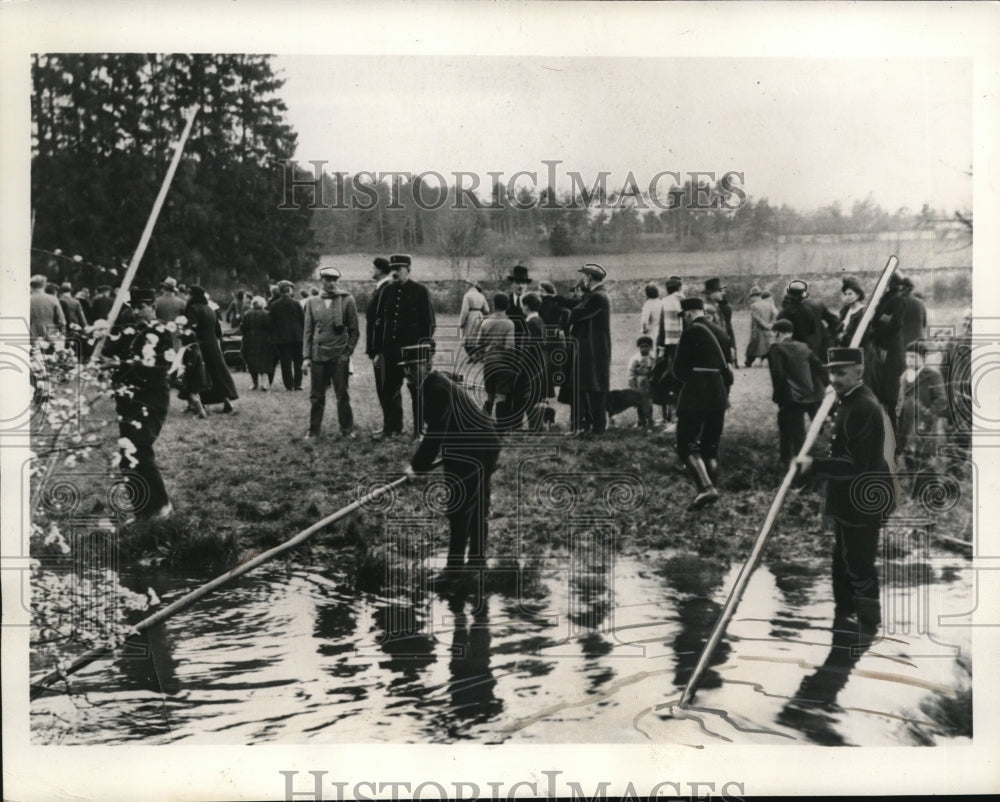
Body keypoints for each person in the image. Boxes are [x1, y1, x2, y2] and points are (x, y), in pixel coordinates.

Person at [795, 347, 897, 631]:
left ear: (858, 372)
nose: (834, 379)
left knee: (859, 566)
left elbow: (855, 464)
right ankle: (844, 624)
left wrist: (814, 466)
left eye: (841, 373)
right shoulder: (849, 401)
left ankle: (867, 627)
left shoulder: (862, 406)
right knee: (843, 563)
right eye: (831, 372)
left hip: (863, 500)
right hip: (852, 499)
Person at [402, 342, 502, 586]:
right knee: (475, 505)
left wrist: (417, 466)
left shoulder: (435, 387)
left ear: (426, 365)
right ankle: (477, 562)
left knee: (460, 507)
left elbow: (436, 431)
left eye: (412, 367)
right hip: (480, 442)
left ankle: (454, 570)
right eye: (405, 368)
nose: (408, 373)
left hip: (473, 447)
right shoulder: (430, 384)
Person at [102, 288, 175, 519]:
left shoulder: (161, 332)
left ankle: (161, 506)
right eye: (132, 307)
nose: (136, 312)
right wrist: (101, 342)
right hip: (127, 399)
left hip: (151, 398)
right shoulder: (128, 331)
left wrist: (119, 364)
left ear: (153, 307)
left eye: (141, 306)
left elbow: (156, 367)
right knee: (127, 454)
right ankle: (142, 509)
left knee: (140, 449)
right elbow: (108, 351)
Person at [672, 296, 733, 511]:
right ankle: (712, 492)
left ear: (688, 314)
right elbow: (728, 369)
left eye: (685, 316)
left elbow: (678, 370)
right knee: (711, 445)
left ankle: (706, 488)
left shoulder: (690, 332)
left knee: (686, 442)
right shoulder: (722, 333)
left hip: (696, 394)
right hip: (719, 395)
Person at [380, 254, 436, 437]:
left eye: (399, 269)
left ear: (408, 270)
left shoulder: (420, 291)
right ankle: (392, 428)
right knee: (390, 391)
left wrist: (423, 350)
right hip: (392, 351)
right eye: (392, 269)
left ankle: (419, 431)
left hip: (414, 351)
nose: (395, 273)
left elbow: (429, 323)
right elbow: (385, 322)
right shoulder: (387, 291)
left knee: (417, 391)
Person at [303, 266, 360, 439]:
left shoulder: (347, 300)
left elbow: (354, 330)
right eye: (327, 279)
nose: (331, 283)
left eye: (334, 280)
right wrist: (306, 357)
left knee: (342, 394)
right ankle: (313, 431)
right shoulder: (312, 302)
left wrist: (347, 352)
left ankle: (347, 430)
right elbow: (307, 331)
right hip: (318, 354)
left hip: (339, 356)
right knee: (316, 396)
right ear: (321, 281)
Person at [768, 319, 828, 466]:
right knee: (821, 428)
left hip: (792, 397)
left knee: (793, 429)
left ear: (777, 332)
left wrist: (779, 398)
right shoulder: (803, 346)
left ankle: (792, 463)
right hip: (813, 394)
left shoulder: (776, 348)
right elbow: (819, 367)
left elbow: (778, 374)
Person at [897, 341, 948, 494]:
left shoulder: (932, 375)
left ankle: (929, 491)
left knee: (923, 455)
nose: (909, 361)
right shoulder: (905, 375)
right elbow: (900, 398)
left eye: (913, 357)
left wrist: (927, 418)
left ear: (923, 358)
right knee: (908, 453)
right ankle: (915, 487)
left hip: (922, 422)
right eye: (907, 357)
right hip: (906, 422)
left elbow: (940, 400)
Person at [568, 263, 612, 435]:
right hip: (594, 348)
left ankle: (598, 428)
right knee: (592, 386)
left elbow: (577, 313)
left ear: (590, 278)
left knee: (595, 387)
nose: (583, 280)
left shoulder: (598, 297)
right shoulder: (597, 295)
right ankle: (593, 427)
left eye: (585, 277)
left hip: (595, 349)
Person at [862, 271, 907, 435]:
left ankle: (893, 430)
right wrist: (880, 320)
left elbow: (895, 323)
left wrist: (875, 332)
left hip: (890, 349)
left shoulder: (898, 299)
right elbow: (878, 319)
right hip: (881, 346)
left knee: (890, 389)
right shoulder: (886, 299)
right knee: (879, 384)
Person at [185, 285, 239, 414]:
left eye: (188, 294)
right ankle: (227, 402)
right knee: (217, 374)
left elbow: (190, 329)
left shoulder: (193, 309)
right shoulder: (210, 309)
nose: (187, 297)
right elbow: (218, 331)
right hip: (213, 344)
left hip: (200, 345)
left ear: (192, 295)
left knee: (201, 374)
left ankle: (199, 405)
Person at [365, 257, 397, 437]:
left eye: (373, 267)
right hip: (380, 349)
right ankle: (393, 425)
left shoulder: (386, 289)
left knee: (385, 389)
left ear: (380, 270)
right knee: (387, 389)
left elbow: (382, 323)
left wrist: (378, 351)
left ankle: (389, 427)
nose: (371, 270)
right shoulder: (382, 288)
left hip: (383, 350)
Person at [476, 294, 516, 420]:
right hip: (503, 364)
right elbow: (509, 346)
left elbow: (479, 343)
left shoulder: (485, 321)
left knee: (490, 397)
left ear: (493, 305)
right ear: (508, 306)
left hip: (489, 363)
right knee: (501, 397)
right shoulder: (509, 323)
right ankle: (500, 429)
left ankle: (483, 424)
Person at [653, 276, 685, 425]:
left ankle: (669, 416)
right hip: (684, 345)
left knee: (667, 379)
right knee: (680, 379)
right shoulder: (685, 301)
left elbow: (661, 328)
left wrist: (660, 348)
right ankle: (678, 414)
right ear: (680, 288)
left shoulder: (664, 302)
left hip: (669, 346)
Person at [270, 279, 305, 391]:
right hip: (297, 337)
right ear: (289, 290)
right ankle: (298, 384)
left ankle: (289, 385)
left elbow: (271, 322)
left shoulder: (274, 305)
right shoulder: (296, 303)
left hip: (282, 339)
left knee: (286, 363)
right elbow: (303, 320)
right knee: (298, 361)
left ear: (280, 291)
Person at [239, 296, 274, 391]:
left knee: (252, 362)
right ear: (262, 304)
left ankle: (254, 384)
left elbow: (242, 328)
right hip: (264, 340)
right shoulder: (267, 314)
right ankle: (264, 384)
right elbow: (271, 327)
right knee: (264, 362)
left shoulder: (247, 314)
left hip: (250, 339)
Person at [703, 278, 737, 367]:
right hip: (715, 347)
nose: (721, 293)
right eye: (718, 291)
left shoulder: (716, 305)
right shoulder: (708, 308)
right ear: (711, 294)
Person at [627, 336, 656, 429]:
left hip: (649, 382)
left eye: (646, 346)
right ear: (639, 347)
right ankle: (640, 421)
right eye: (642, 346)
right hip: (639, 382)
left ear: (650, 347)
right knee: (640, 402)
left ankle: (650, 420)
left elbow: (655, 369)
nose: (644, 348)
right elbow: (631, 372)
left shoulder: (653, 358)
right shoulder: (635, 359)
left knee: (649, 402)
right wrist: (632, 383)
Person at [29, 274, 65, 346]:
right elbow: (62, 322)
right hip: (51, 335)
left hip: (32, 337)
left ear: (31, 286)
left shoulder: (26, 299)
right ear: (44, 285)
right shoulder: (53, 299)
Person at [744, 286, 775, 367]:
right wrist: (770, 325)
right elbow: (774, 315)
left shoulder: (754, 305)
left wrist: (764, 325)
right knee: (767, 347)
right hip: (768, 330)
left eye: (751, 297)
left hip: (757, 330)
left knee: (754, 347)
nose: (751, 299)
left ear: (754, 296)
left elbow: (756, 318)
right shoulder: (769, 304)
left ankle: (748, 362)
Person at [458, 279, 490, 356]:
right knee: (478, 336)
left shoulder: (467, 295)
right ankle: (477, 354)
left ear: (469, 285)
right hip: (480, 316)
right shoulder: (481, 295)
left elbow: (464, 310)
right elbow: (487, 310)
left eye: (466, 284)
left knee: (468, 337)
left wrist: (461, 322)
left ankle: (472, 356)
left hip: (471, 316)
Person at [835, 276, 867, 347]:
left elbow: (860, 335)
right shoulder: (845, 310)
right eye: (845, 294)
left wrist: (843, 337)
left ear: (858, 295)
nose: (847, 297)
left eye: (850, 294)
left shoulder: (862, 312)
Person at [900, 276, 927, 348]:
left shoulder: (899, 302)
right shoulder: (921, 303)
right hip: (921, 342)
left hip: (904, 344)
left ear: (902, 288)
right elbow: (924, 324)